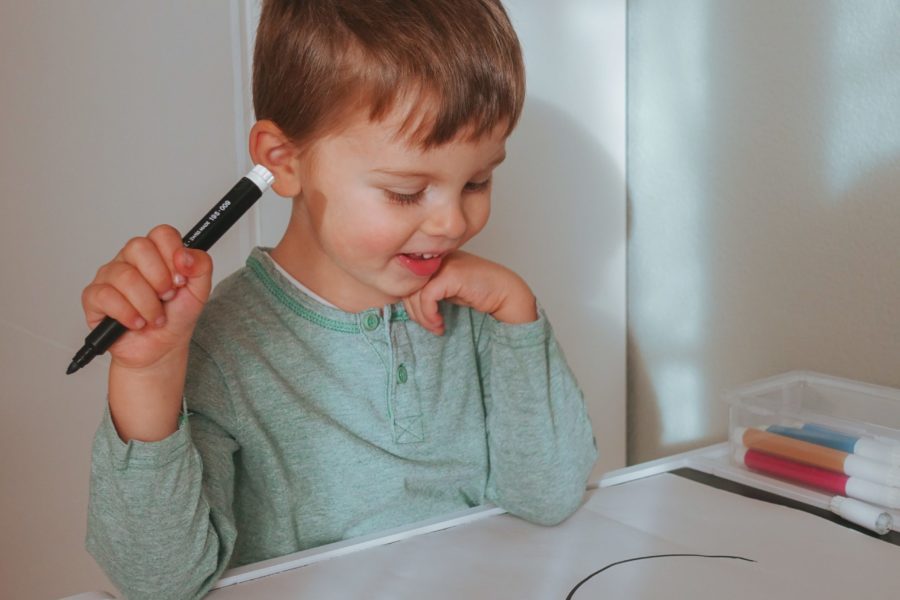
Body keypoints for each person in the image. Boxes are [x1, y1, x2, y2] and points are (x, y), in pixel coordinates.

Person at [83, 1, 597, 597]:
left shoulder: (478, 312)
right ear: (283, 161)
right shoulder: (223, 347)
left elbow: (549, 494)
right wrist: (149, 376)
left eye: (477, 182)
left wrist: (516, 309)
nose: (454, 221)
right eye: (407, 192)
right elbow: (160, 583)